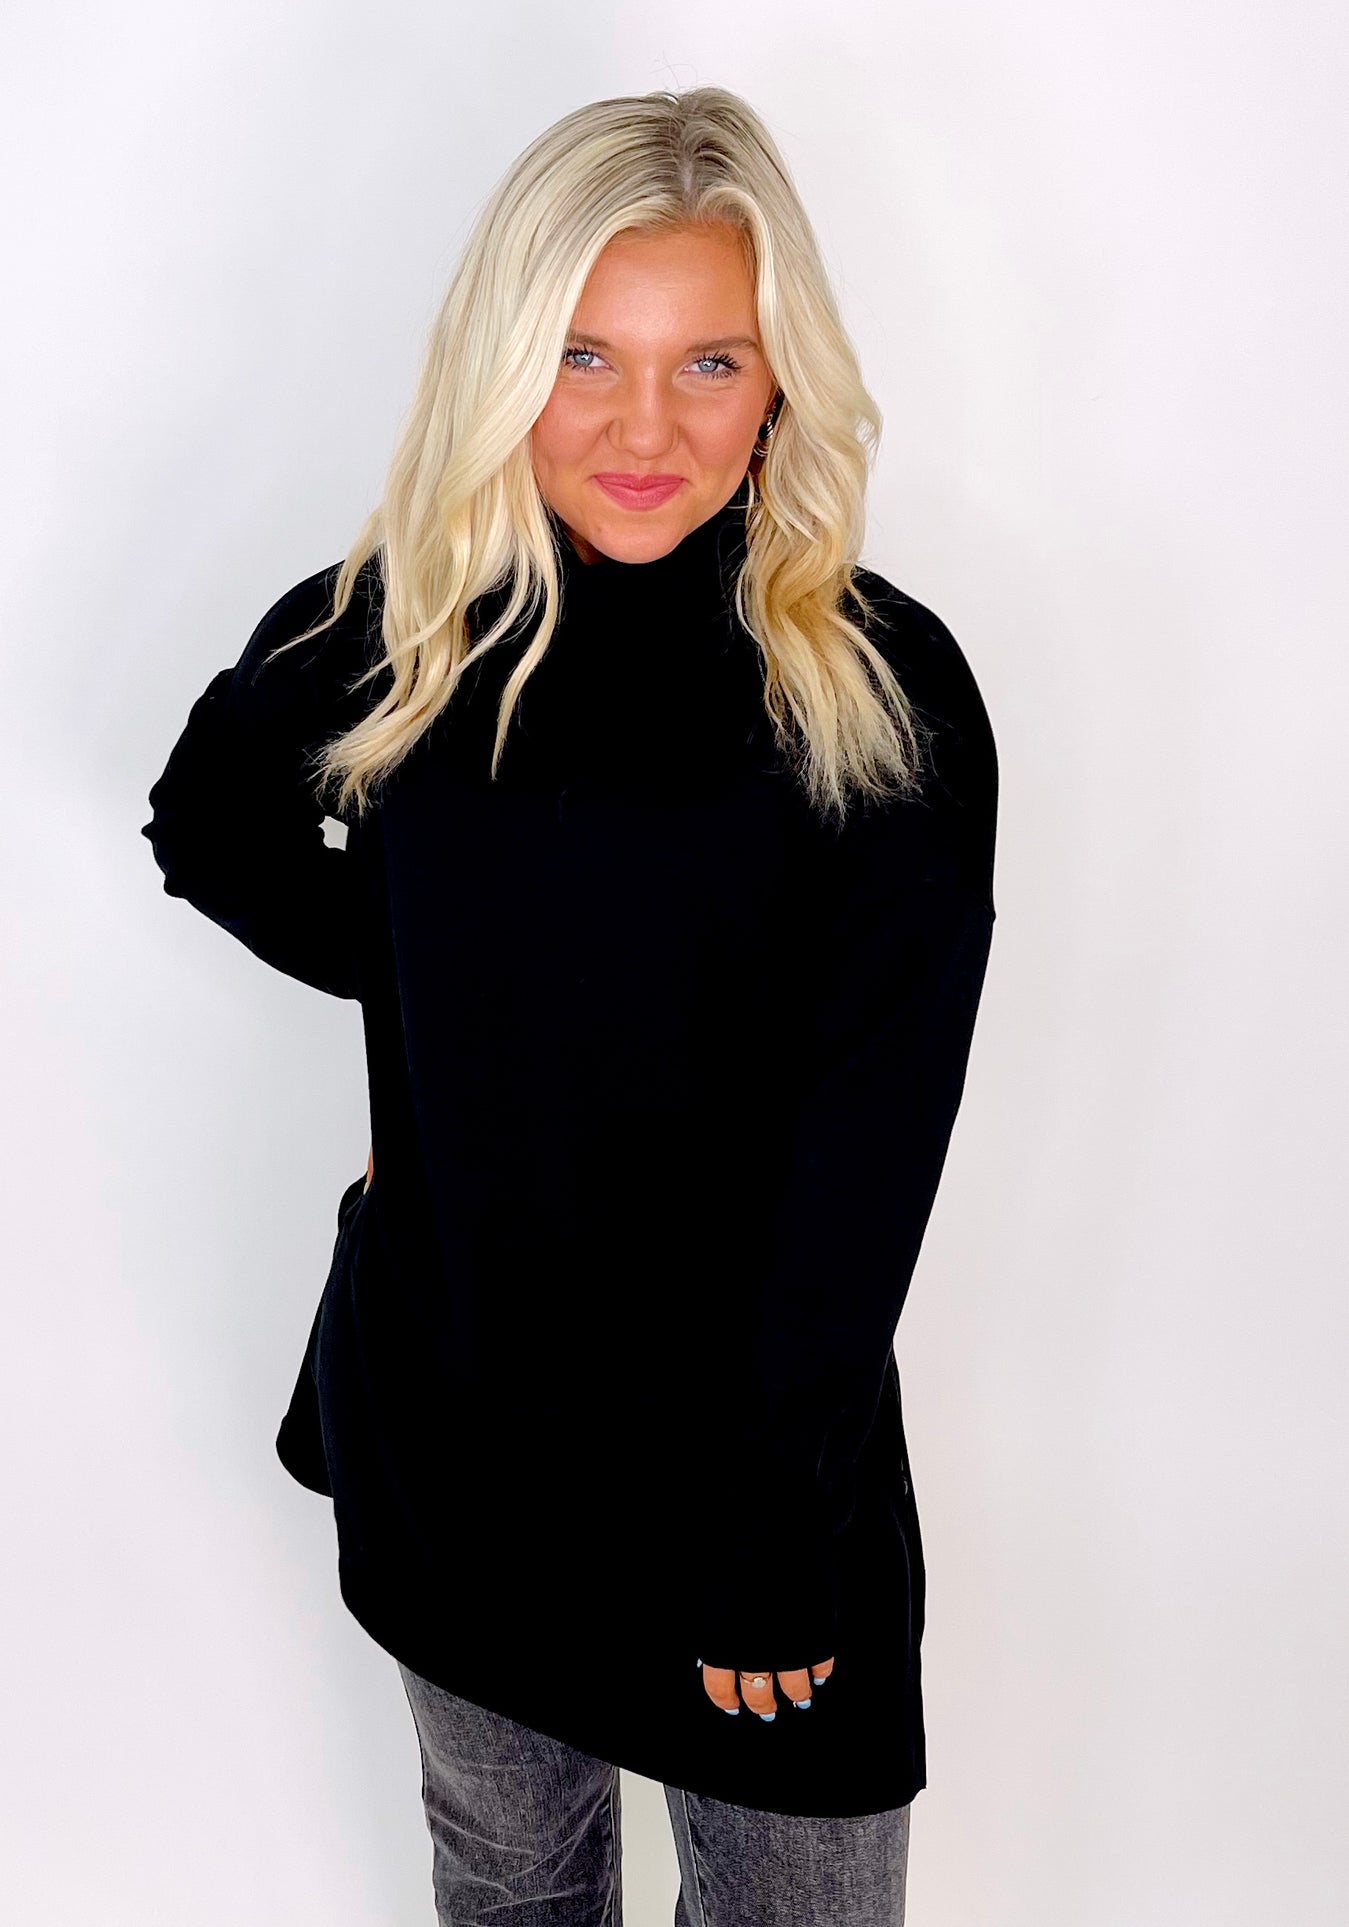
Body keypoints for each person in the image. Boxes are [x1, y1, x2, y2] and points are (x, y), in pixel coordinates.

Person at [142, 84, 997, 1926]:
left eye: (709, 363)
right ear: (503, 363)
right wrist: (448, 1009)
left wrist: (773, 1532)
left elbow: (868, 1158)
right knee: (510, 1886)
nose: (641, 427)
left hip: (749, 1471)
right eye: (584, 356)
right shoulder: (405, 625)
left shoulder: (879, 692)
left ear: (779, 385)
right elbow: (206, 823)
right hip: (453, 1422)